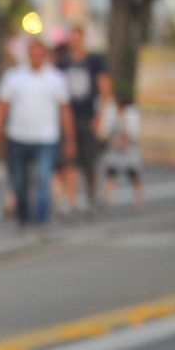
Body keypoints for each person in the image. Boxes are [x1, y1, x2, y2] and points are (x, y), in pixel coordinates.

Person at [0, 36, 75, 231]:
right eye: (32, 53)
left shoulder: (55, 78)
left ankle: (40, 218)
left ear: (45, 55)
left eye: (39, 54)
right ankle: (23, 215)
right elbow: (1, 106)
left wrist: (70, 139)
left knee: (43, 178)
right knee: (19, 182)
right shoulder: (14, 76)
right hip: (18, 137)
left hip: (45, 138)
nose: (36, 57)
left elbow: (64, 111)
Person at [54, 25, 112, 216]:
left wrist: (99, 117)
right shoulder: (62, 63)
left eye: (78, 37)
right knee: (68, 159)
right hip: (68, 117)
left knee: (89, 161)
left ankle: (91, 194)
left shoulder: (94, 61)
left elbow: (105, 90)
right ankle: (70, 198)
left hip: (88, 117)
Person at [99, 94, 145, 210]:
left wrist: (124, 138)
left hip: (128, 150)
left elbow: (133, 132)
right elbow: (104, 131)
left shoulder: (131, 114)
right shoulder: (111, 113)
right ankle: (107, 198)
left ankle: (138, 198)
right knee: (111, 173)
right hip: (114, 150)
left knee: (133, 175)